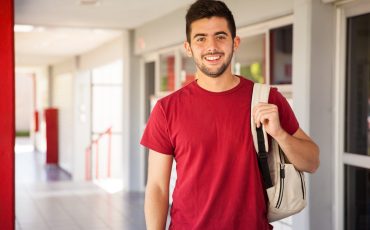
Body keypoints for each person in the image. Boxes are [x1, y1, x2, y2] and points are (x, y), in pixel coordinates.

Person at [140, 0, 320, 229]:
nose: (212, 46)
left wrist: (281, 134)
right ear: (188, 47)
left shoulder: (267, 99)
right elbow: (157, 186)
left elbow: (312, 162)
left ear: (235, 42)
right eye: (201, 38)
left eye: (221, 36)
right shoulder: (167, 109)